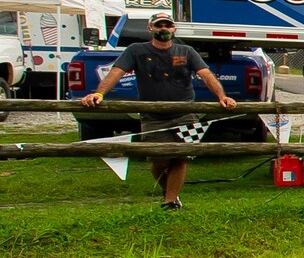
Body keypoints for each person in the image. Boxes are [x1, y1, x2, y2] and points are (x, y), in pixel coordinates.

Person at [80, 13, 236, 210]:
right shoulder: (136, 51)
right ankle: (168, 192)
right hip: (153, 116)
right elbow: (116, 73)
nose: (164, 28)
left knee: (181, 157)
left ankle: (170, 201)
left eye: (167, 25)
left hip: (185, 113)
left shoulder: (187, 51)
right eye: (159, 25)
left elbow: (206, 75)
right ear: (150, 29)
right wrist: (99, 94)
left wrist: (222, 96)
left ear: (174, 29)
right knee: (159, 159)